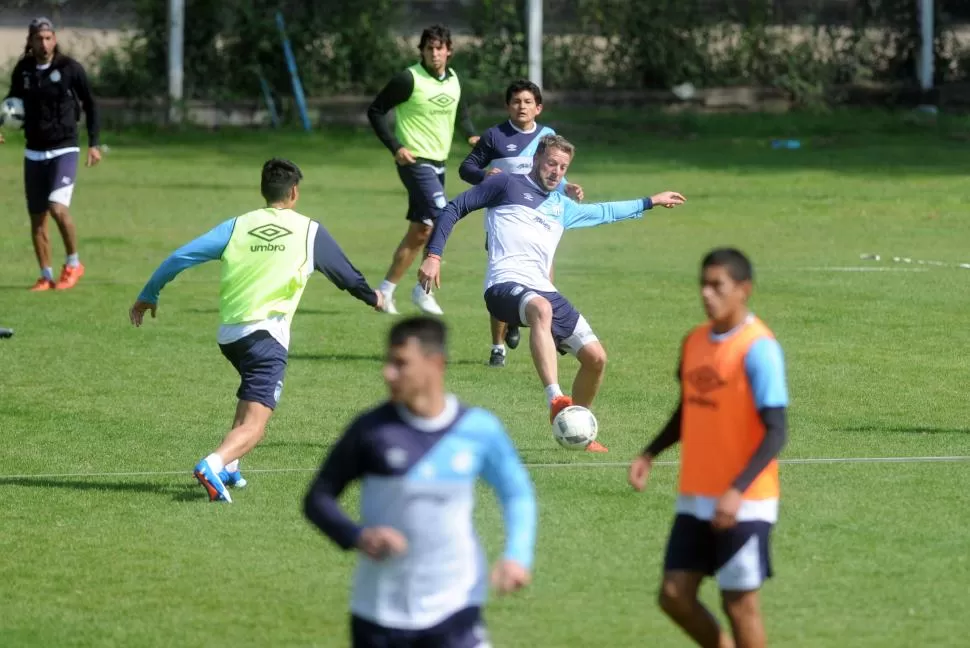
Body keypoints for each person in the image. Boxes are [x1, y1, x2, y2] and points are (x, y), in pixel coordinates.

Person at [129, 158, 384, 503]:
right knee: (256, 426)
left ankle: (230, 466)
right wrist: (373, 297)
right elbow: (346, 276)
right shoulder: (309, 231)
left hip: (230, 336)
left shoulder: (237, 226)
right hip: (265, 337)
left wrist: (149, 293)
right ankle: (212, 464)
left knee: (250, 401)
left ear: (264, 191)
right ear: (294, 192)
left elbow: (180, 257)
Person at [417, 134, 686, 453]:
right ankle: (556, 400)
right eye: (551, 164)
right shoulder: (505, 185)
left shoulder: (562, 207)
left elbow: (606, 211)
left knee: (596, 358)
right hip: (503, 285)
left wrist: (651, 200)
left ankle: (579, 430)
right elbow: (455, 207)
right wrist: (433, 255)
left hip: (543, 289)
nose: (556, 171)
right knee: (541, 308)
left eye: (563, 167)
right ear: (536, 161)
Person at [304, 316, 536, 647]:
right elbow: (318, 498)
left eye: (401, 364)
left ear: (435, 364)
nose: (388, 373)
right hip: (380, 615)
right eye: (389, 362)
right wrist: (358, 536)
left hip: (458, 607)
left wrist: (517, 555)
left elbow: (516, 493)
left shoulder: (478, 429)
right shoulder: (370, 431)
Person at [628, 248, 789, 648]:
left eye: (717, 285)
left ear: (743, 290)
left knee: (739, 604)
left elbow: (776, 431)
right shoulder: (694, 342)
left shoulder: (759, 348)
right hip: (696, 496)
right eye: (703, 284)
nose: (706, 293)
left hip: (746, 502)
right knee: (674, 594)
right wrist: (650, 453)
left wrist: (737, 490)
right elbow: (689, 409)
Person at [459, 78, 584, 368]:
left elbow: (554, 172)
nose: (522, 106)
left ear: (538, 107)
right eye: (516, 101)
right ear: (507, 106)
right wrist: (485, 176)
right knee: (502, 277)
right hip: (504, 220)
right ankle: (497, 346)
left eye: (528, 102)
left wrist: (567, 188)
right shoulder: (494, 136)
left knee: (543, 274)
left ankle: (544, 328)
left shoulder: (548, 136)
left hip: (540, 219)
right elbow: (466, 168)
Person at [367, 24, 479, 317]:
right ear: (422, 51)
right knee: (443, 216)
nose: (434, 53)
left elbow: (461, 110)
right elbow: (375, 110)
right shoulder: (409, 79)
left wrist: (470, 135)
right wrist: (395, 146)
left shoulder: (454, 79)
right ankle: (422, 290)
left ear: (449, 51)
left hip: (439, 163)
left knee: (420, 231)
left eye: (439, 48)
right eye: (429, 48)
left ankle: (385, 292)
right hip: (415, 162)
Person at [1, 17, 101, 291]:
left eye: (48, 38)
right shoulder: (23, 70)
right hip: (33, 150)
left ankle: (73, 264)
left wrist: (94, 143)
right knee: (37, 217)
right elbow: (12, 102)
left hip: (64, 148)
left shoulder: (70, 69)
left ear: (54, 39)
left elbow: (91, 105)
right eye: (38, 38)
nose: (44, 43)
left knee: (57, 208)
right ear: (30, 41)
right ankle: (45, 275)